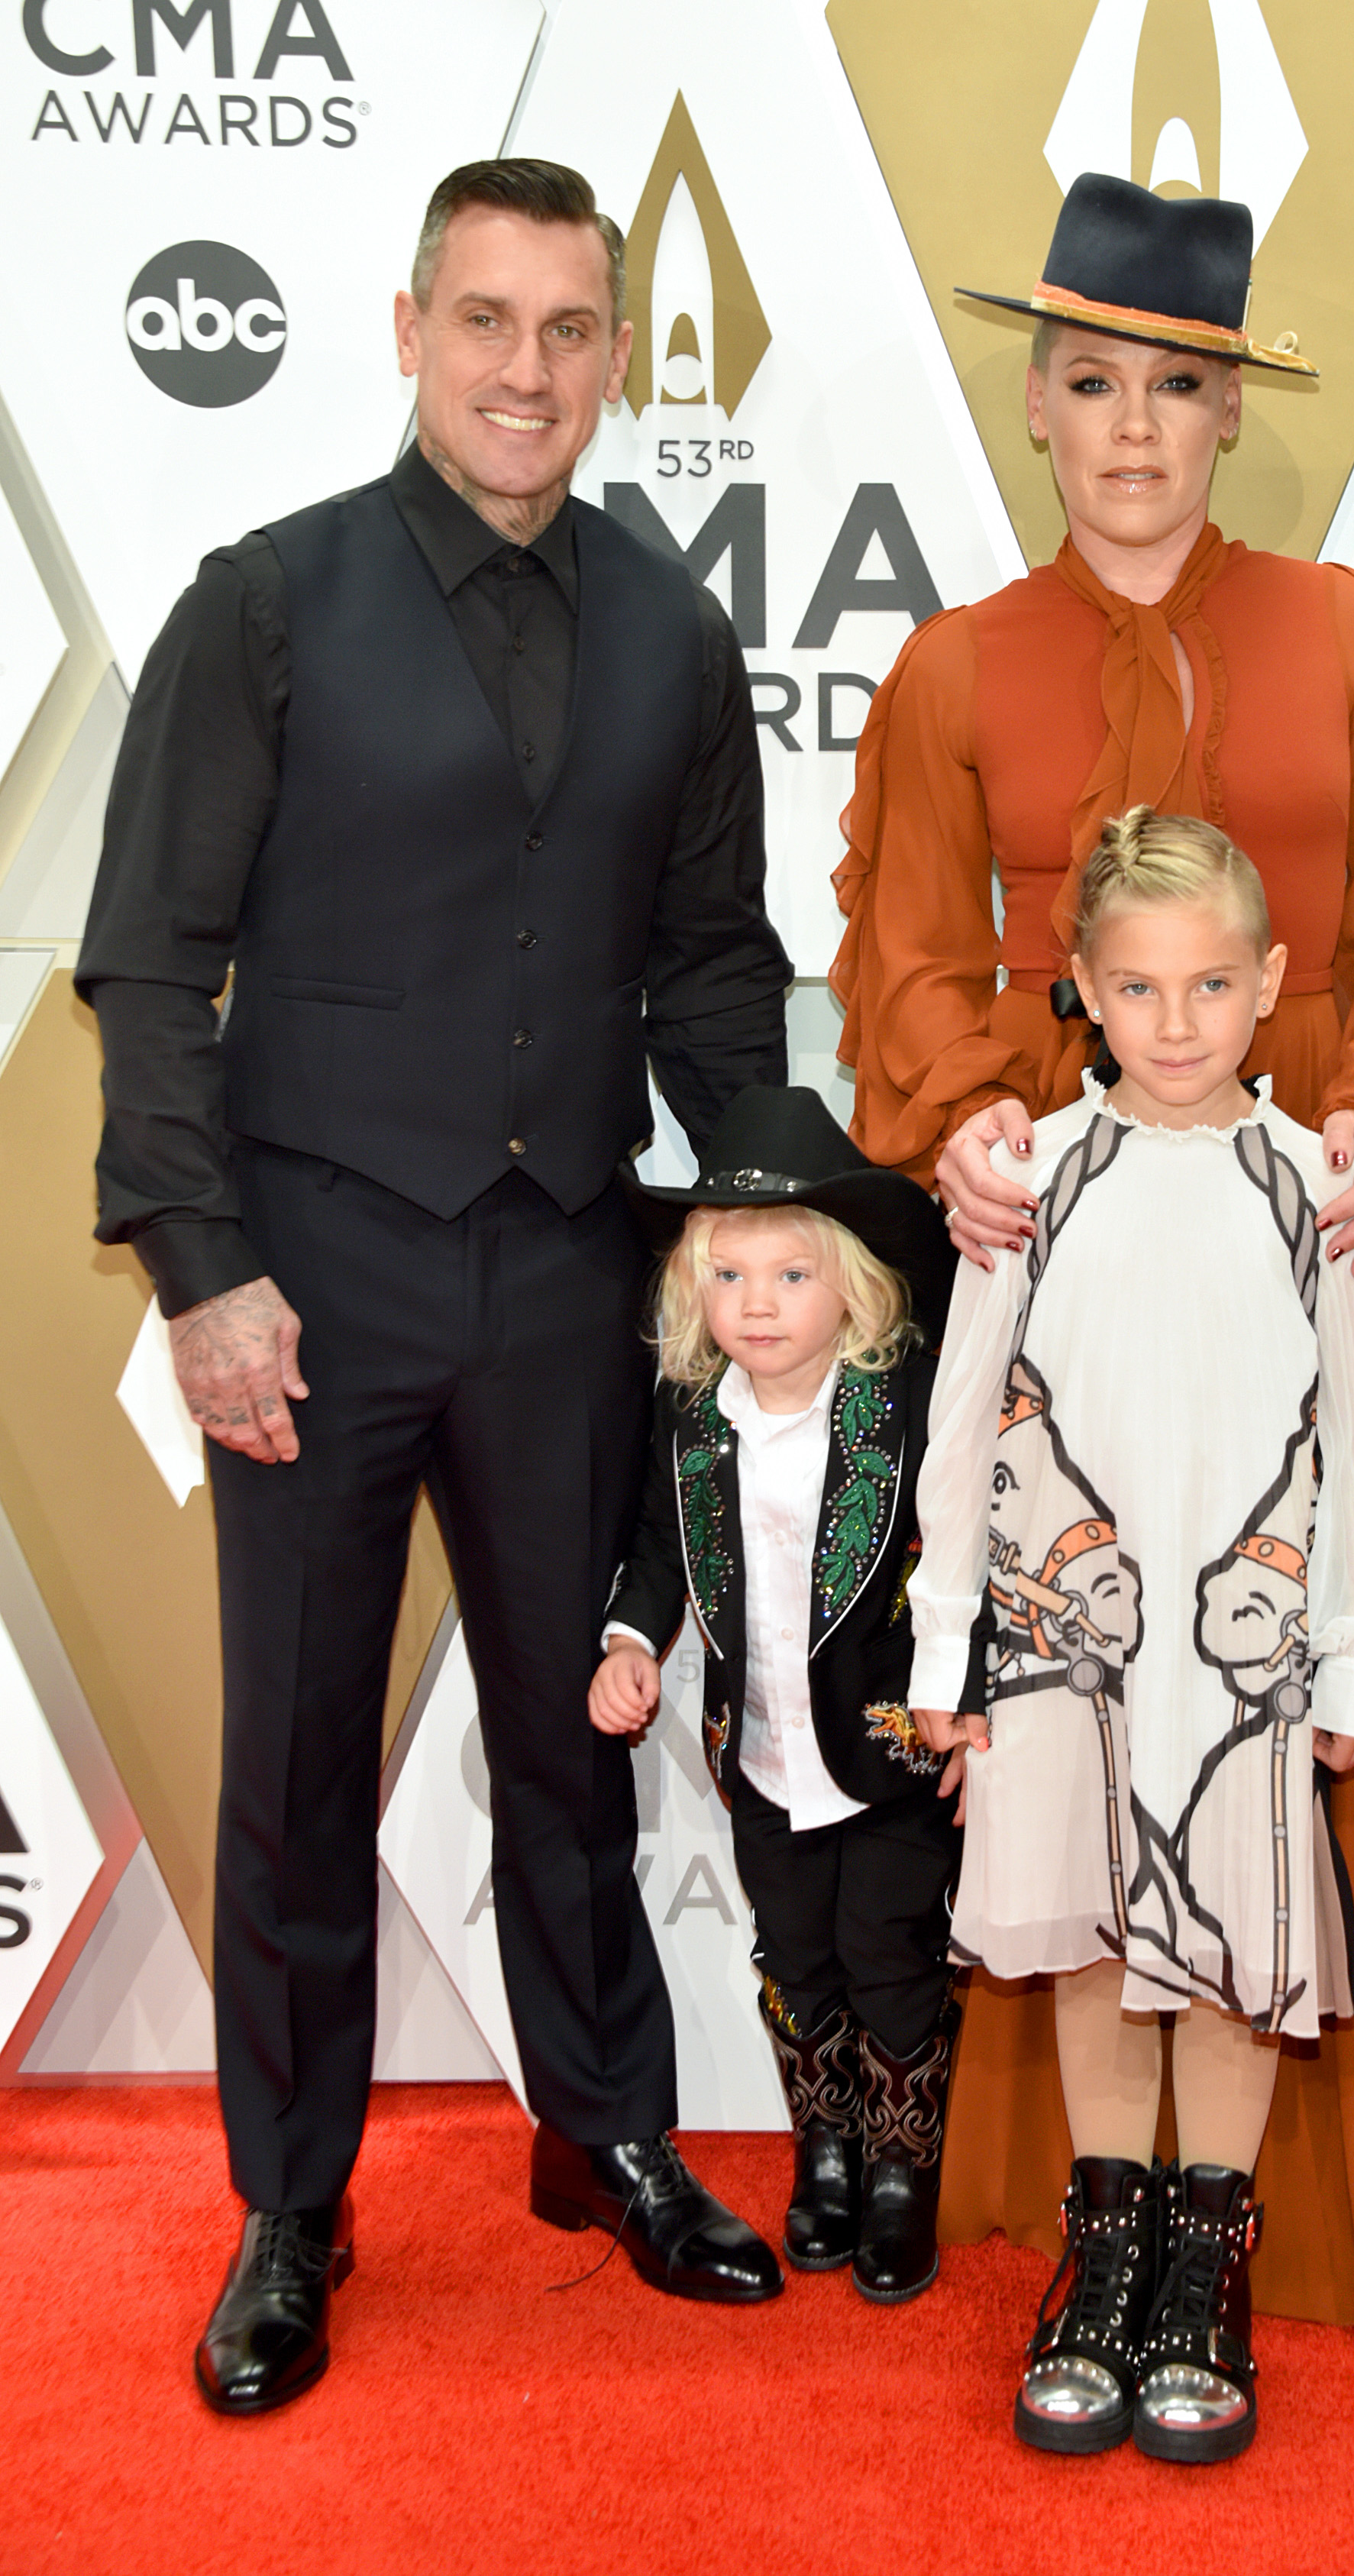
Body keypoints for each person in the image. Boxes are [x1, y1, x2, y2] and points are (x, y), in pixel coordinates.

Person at [76, 158, 795, 2415]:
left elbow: (707, 977)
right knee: (291, 1756)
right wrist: (202, 1266)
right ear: (409, 331)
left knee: (573, 1746)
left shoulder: (677, 633)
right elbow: (143, 961)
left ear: (613, 355)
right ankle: (293, 2201)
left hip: (569, 1271)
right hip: (310, 1277)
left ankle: (602, 2135)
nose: (526, 370)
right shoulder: (261, 602)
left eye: (569, 331)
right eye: (485, 322)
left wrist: (788, 1215)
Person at [830, 173, 1354, 2355]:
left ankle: (1259, 2238)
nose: (1133, 425)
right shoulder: (950, 667)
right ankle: (1104, 2227)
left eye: (1177, 385)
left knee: (1296, 1729)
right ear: (1037, 405)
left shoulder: (1348, 631)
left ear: (1229, 413)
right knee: (1078, 1751)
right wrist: (968, 1119)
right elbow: (905, 958)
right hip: (1068, 1288)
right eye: (1095, 380)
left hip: (1302, 1276)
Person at [910, 809, 1354, 2458]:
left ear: (1270, 981)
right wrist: (942, 1660)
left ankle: (1201, 2268)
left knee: (1217, 1958)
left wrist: (1351, 1657)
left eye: (1212, 982)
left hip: (1247, 1661)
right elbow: (964, 1418)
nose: (1180, 1020)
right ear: (1080, 990)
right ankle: (1104, 2252)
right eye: (1138, 987)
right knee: (1083, 1948)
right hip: (1067, 1649)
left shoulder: (1314, 1184)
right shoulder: (1029, 1179)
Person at [588, 1086, 982, 2302]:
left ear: (855, 1286)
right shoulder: (689, 1417)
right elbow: (659, 1546)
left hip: (888, 1755)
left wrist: (971, 1699)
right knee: (795, 1955)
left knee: (889, 1951)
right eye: (728, 1275)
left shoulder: (900, 1408)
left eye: (790, 1275)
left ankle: (902, 2171)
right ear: (691, 1291)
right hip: (757, 1752)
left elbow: (971, 1548)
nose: (756, 1303)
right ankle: (826, 2151)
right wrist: (627, 1637)